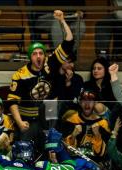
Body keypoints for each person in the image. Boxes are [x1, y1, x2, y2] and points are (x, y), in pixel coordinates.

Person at [6, 10, 74, 151]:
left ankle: (52, 157)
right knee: (24, 151)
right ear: (30, 57)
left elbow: (69, 41)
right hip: (28, 120)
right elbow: (12, 102)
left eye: (41, 53)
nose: (38, 56)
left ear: (44, 55)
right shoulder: (20, 75)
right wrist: (19, 122)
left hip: (49, 117)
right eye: (35, 54)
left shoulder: (51, 63)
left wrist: (62, 20)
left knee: (51, 147)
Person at [60, 89, 111, 163]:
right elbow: (65, 150)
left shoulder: (103, 123)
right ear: (80, 102)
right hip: (73, 163)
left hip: (94, 165)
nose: (87, 104)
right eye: (84, 101)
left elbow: (103, 154)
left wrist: (97, 135)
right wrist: (73, 136)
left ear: (95, 103)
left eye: (90, 101)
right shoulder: (72, 118)